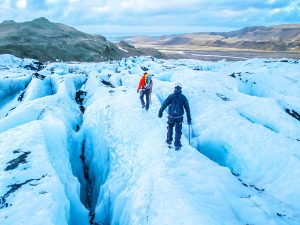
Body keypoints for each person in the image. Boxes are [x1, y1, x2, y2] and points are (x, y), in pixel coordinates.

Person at [158, 83, 191, 150]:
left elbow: (164, 104)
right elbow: (187, 108)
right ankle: (177, 144)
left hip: (171, 116)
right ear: (181, 89)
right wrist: (189, 118)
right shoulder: (183, 97)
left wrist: (160, 112)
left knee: (170, 127)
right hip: (179, 117)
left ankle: (169, 141)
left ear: (175, 88)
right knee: (178, 131)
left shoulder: (171, 96)